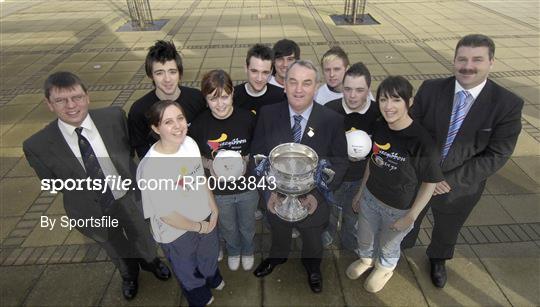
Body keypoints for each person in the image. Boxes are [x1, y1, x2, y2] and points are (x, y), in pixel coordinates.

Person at [23, 72, 171, 301]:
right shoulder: (37, 145)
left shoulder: (114, 117)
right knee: (114, 246)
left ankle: (151, 262)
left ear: (87, 97)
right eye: (61, 100)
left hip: (128, 196)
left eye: (77, 97)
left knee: (142, 233)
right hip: (91, 209)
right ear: (49, 104)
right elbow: (52, 182)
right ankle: (129, 275)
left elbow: (127, 152)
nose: (71, 106)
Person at [401, 34, 524, 288]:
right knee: (409, 218)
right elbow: (412, 130)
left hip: (460, 186)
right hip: (421, 176)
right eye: (462, 59)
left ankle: (438, 258)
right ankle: (400, 247)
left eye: (477, 59)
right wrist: (429, 173)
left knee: (448, 227)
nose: (468, 66)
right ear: (454, 61)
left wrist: (446, 180)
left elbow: (497, 154)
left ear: (492, 62)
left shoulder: (508, 104)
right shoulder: (431, 89)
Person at [251, 60, 348, 293]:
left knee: (313, 238)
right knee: (278, 232)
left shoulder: (331, 120)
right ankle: (278, 257)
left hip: (313, 199)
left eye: (306, 83)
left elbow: (340, 162)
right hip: (277, 197)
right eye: (292, 81)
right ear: (283, 84)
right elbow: (258, 156)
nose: (298, 89)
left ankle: (313, 266)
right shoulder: (267, 114)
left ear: (316, 87)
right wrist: (268, 191)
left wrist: (318, 194)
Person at [346, 76, 444, 293]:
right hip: (370, 198)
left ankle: (385, 267)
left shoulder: (422, 142)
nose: (388, 107)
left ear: (410, 102)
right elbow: (373, 161)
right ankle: (366, 260)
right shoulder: (380, 127)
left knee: (389, 244)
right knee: (364, 236)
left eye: (396, 100)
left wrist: (411, 216)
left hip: (398, 208)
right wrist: (361, 192)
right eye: (383, 100)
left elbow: (429, 183)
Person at [137, 100, 223, 306]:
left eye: (180, 118)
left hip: (203, 215)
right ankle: (196, 293)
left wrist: (213, 208)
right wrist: (198, 227)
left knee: (208, 253)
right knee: (185, 265)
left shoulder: (189, 143)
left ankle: (211, 276)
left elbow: (200, 178)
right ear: (155, 128)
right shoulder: (151, 168)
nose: (178, 126)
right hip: (175, 231)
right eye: (168, 122)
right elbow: (167, 214)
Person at [190, 69, 259, 272]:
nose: (220, 104)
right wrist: (209, 164)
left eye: (225, 97)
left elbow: (258, 148)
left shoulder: (247, 119)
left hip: (247, 187)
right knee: (227, 226)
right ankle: (234, 250)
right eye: (213, 99)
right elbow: (193, 156)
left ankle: (247, 249)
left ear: (232, 95)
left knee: (247, 226)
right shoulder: (200, 125)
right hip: (219, 192)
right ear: (205, 98)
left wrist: (247, 160)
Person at [323, 62, 380, 251]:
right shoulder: (329, 110)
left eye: (359, 90)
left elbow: (384, 149)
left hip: (361, 180)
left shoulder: (378, 113)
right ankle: (328, 233)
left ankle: (349, 239)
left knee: (353, 214)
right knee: (329, 210)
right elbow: (321, 145)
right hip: (334, 177)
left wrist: (367, 155)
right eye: (347, 89)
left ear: (368, 89)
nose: (352, 95)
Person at [128, 40, 206, 158]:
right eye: (159, 73)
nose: (167, 79)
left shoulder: (197, 98)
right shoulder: (139, 110)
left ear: (180, 73)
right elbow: (142, 150)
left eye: (172, 72)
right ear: (151, 75)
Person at [233, 43, 285, 117]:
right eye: (254, 71)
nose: (259, 78)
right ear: (246, 68)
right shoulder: (233, 97)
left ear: (271, 72)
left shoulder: (281, 97)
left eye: (265, 72)